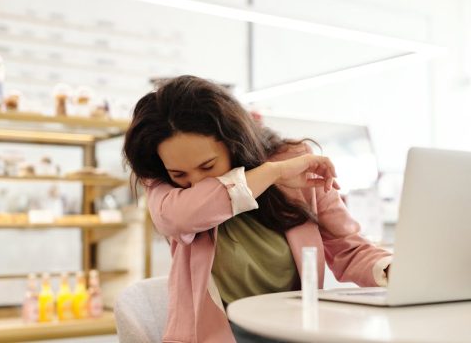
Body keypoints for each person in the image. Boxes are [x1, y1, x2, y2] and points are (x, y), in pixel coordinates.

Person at [123, 75, 392, 343]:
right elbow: (180, 217)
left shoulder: (293, 160)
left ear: (234, 143)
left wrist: (392, 270)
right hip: (219, 333)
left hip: (293, 329)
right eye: (179, 174)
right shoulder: (163, 186)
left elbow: (349, 248)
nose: (196, 183)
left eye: (207, 166)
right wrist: (273, 173)